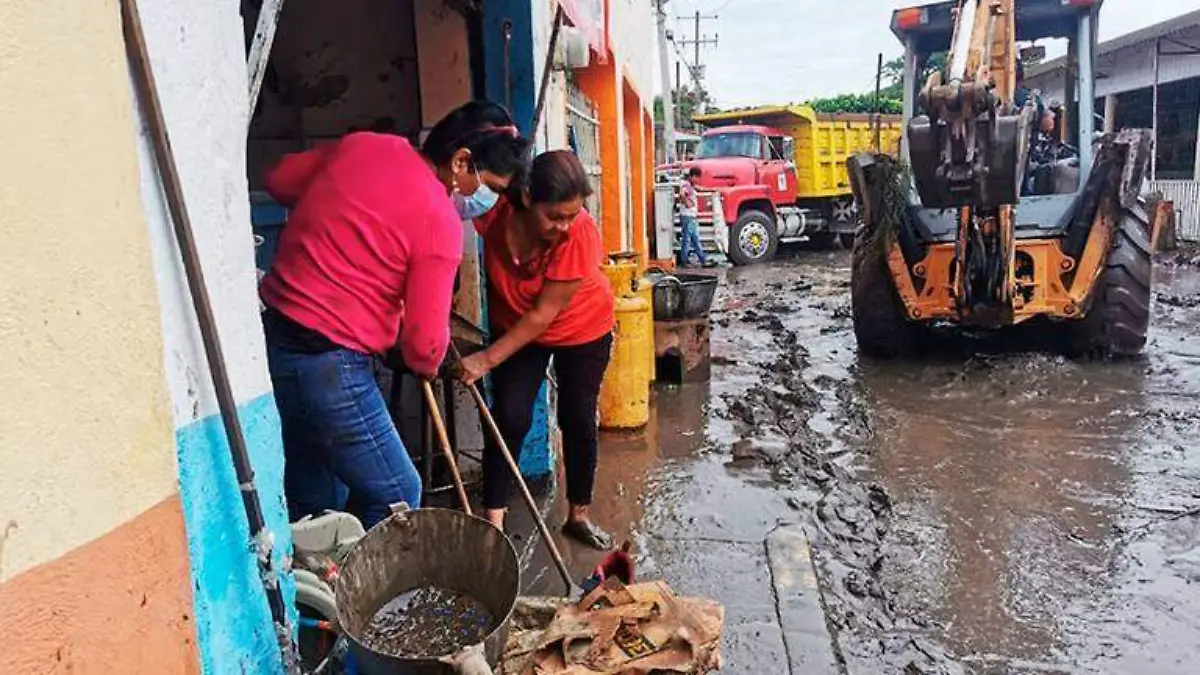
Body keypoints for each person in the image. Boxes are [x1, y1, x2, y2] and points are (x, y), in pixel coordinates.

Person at [260, 101, 532, 529]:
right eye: (490, 187)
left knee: (317, 498)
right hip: (332, 363)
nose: (488, 200)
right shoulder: (439, 220)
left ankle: (318, 587)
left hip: (275, 340)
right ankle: (362, 593)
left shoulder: (367, 146)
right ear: (461, 161)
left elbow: (278, 181)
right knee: (397, 493)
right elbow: (424, 349)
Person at [456, 151, 617, 550]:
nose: (564, 226)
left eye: (571, 215)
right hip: (517, 328)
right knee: (508, 416)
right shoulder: (493, 216)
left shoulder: (580, 232)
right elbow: (459, 189)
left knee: (578, 418)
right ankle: (492, 522)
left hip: (582, 327)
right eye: (555, 216)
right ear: (527, 198)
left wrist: (485, 359)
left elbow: (544, 314)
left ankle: (578, 515)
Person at [678, 167, 708, 267]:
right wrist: (687, 203)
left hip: (691, 215)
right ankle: (685, 260)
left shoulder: (690, 185)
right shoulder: (686, 185)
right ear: (693, 176)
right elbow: (682, 195)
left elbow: (700, 189)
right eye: (697, 177)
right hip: (688, 215)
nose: (698, 180)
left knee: (694, 238)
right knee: (688, 239)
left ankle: (702, 259)